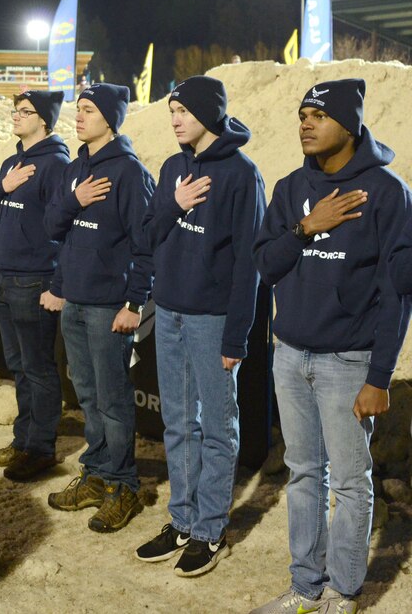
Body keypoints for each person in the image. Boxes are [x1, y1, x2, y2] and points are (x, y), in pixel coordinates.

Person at [250, 80, 412, 614]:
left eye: (319, 114)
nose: (306, 122)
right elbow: (266, 265)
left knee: (348, 481)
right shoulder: (289, 186)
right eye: (302, 114)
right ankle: (305, 587)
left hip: (349, 361)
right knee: (302, 474)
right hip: (290, 354)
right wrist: (304, 228)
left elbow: (398, 292)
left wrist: (380, 376)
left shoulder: (387, 193)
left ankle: (342, 592)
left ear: (349, 123)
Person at [134, 76, 265, 576]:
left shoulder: (241, 175)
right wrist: (175, 203)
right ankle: (182, 521)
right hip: (167, 313)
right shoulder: (171, 167)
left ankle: (210, 528)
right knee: (177, 423)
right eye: (171, 112)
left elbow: (246, 266)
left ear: (208, 114)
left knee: (216, 427)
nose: (174, 121)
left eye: (182, 112)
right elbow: (148, 232)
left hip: (212, 322)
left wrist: (236, 335)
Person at [44, 83, 154, 533]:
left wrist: (135, 303)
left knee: (112, 399)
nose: (79, 116)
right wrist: (75, 200)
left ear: (109, 118)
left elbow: (145, 246)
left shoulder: (130, 173)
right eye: (79, 109)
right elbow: (52, 226)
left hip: (110, 305)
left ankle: (123, 484)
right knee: (87, 395)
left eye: (88, 110)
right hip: (75, 301)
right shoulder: (75, 170)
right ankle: (96, 473)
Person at [0, 91, 70, 480]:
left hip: (35, 279)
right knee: (18, 367)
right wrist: (3, 186)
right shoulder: (13, 162)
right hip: (6, 276)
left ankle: (41, 448)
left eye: (25, 112)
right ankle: (23, 440)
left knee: (38, 368)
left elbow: (62, 229)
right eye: (14, 110)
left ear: (44, 120)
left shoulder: (57, 164)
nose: (16, 117)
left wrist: (57, 283)